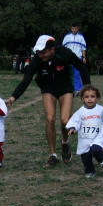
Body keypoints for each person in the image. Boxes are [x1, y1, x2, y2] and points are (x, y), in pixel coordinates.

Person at [7, 35, 91, 167]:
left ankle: (65, 142)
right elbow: (26, 80)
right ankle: (52, 155)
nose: (40, 55)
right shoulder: (37, 60)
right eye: (38, 52)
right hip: (47, 88)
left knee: (65, 120)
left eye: (43, 52)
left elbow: (82, 67)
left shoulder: (64, 53)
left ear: (52, 49)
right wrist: (12, 99)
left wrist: (87, 89)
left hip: (65, 87)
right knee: (50, 118)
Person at [66, 85, 103, 178]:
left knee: (96, 150)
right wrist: (72, 128)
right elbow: (75, 121)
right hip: (85, 138)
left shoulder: (101, 109)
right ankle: (90, 171)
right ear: (82, 98)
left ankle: (101, 160)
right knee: (85, 157)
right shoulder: (80, 112)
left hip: (97, 136)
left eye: (92, 97)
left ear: (97, 98)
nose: (90, 99)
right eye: (87, 97)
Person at [62, 22, 87, 95]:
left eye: (76, 28)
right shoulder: (67, 37)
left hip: (77, 58)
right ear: (71, 28)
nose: (74, 30)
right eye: (73, 28)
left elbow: (83, 48)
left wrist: (84, 57)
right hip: (68, 58)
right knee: (69, 73)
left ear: (77, 28)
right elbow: (63, 48)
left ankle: (78, 89)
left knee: (77, 74)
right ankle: (69, 88)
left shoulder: (81, 37)